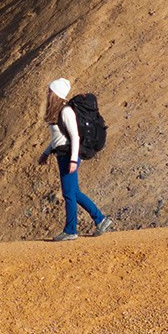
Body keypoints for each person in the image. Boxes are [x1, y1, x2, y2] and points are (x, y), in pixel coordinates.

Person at [39, 78, 112, 241]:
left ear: (56, 94)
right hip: (62, 155)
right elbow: (58, 137)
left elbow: (74, 137)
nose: (48, 93)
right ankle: (101, 220)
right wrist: (46, 153)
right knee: (74, 193)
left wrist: (73, 160)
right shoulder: (57, 112)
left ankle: (71, 230)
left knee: (68, 194)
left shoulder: (66, 112)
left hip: (69, 156)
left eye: (50, 91)